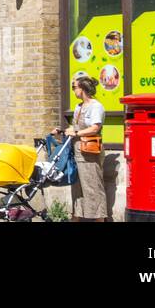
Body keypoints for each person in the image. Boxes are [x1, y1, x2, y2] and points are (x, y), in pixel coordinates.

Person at [55, 74, 107, 221]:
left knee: (93, 186)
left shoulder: (96, 106)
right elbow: (75, 127)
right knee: (77, 187)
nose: (73, 91)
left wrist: (76, 132)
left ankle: (99, 219)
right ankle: (76, 217)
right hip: (77, 151)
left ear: (83, 88)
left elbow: (95, 128)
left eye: (74, 87)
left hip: (89, 151)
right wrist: (61, 130)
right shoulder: (79, 107)